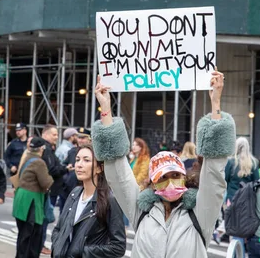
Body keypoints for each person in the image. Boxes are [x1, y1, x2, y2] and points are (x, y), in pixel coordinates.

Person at [92, 71, 235, 257]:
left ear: (184, 178)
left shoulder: (200, 213)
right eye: (162, 177)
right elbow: (119, 173)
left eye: (175, 175)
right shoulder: (141, 211)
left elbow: (214, 172)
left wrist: (216, 102)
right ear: (152, 182)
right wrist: (105, 109)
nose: (170, 182)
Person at [51, 144, 126, 258]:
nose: (79, 165)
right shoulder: (75, 193)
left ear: (99, 168)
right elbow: (58, 229)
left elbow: (118, 247)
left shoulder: (110, 200)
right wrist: (58, 246)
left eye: (86, 160)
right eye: (77, 160)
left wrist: (80, 252)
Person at [13, 137, 53, 258]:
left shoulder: (27, 158)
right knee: (31, 236)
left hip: (21, 198)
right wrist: (51, 178)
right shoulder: (39, 162)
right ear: (42, 149)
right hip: (31, 200)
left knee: (23, 235)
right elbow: (46, 182)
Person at [224, 137, 260, 256]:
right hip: (248, 200)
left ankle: (236, 254)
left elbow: (225, 179)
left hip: (232, 199)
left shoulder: (230, 162)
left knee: (234, 228)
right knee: (245, 228)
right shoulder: (253, 163)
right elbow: (257, 182)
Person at [40, 125, 67, 255]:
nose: (56, 137)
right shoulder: (46, 149)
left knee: (45, 217)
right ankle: (40, 244)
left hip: (51, 188)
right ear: (45, 134)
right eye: (54, 134)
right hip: (49, 189)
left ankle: (40, 243)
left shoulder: (49, 149)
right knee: (45, 217)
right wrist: (65, 169)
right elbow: (52, 169)